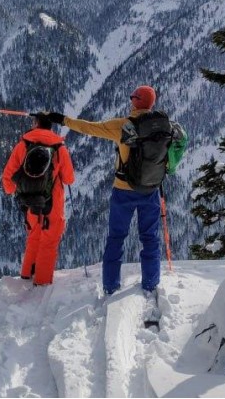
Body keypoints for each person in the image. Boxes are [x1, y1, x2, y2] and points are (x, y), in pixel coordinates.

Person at [45, 85, 183, 296]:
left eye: (132, 97)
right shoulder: (166, 126)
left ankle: (111, 286)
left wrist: (62, 119)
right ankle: (150, 283)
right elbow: (181, 142)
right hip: (151, 190)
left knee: (116, 238)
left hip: (123, 191)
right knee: (150, 238)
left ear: (135, 101)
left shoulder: (122, 125)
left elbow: (88, 127)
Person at [2, 113, 74, 286]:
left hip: (29, 200)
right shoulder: (59, 148)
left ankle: (27, 273)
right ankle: (41, 282)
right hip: (52, 202)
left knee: (34, 234)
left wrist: (15, 190)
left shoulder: (23, 145)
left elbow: (8, 178)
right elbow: (69, 179)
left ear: (36, 124)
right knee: (49, 239)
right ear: (50, 127)